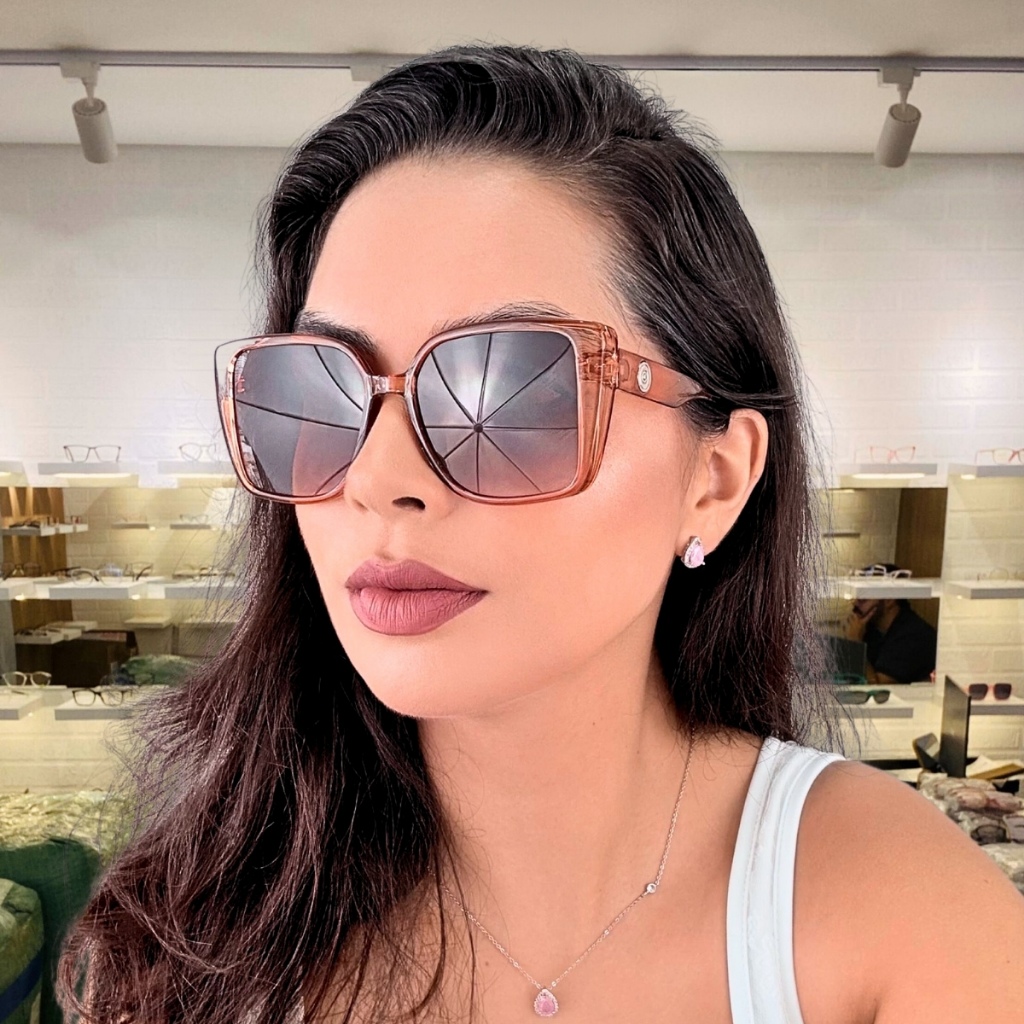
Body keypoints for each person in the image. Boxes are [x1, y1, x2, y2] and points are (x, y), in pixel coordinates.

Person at [58, 44, 1024, 1024]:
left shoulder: (898, 916)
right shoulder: (197, 939)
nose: (379, 480)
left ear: (715, 479)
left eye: (508, 394)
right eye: (317, 391)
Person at [842, 564, 938, 685]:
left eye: (863, 599)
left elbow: (877, 689)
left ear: (889, 599)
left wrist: (855, 645)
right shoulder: (871, 628)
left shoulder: (913, 636)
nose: (855, 604)